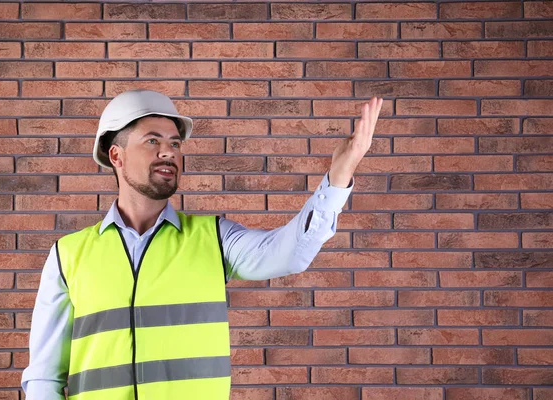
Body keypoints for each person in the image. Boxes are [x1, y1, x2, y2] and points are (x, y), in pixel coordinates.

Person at [21, 90, 384, 400]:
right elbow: (44, 376)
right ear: (116, 156)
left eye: (175, 144)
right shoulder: (68, 256)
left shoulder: (215, 238)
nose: (169, 152)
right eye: (153, 141)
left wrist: (338, 179)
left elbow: (289, 254)